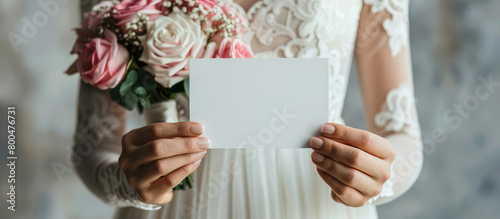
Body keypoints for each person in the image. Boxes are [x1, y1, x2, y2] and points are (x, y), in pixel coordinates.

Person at [73, 0, 423, 218]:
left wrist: (381, 175)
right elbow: (93, 143)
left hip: (316, 202)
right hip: (177, 206)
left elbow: (402, 132)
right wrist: (129, 181)